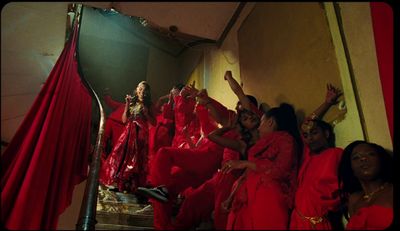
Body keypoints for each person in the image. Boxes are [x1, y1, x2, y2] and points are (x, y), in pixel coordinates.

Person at [224, 103, 303, 229]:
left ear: (270, 122)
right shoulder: (263, 142)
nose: (259, 128)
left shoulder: (286, 139)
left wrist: (246, 163)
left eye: (261, 123)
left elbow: (280, 171)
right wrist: (231, 197)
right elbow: (247, 175)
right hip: (253, 197)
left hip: (270, 200)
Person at [290, 84, 344, 229]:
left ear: (326, 134)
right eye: (306, 136)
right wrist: (326, 103)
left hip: (319, 223)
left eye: (314, 133)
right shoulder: (308, 156)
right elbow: (307, 122)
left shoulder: (336, 154)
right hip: (297, 220)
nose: (310, 139)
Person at [99, 81, 156, 193]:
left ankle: (134, 185)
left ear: (146, 92)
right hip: (128, 133)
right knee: (121, 155)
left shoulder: (150, 105)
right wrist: (126, 104)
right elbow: (124, 120)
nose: (140, 91)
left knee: (137, 159)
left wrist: (146, 114)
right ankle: (121, 182)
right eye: (139, 88)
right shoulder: (132, 103)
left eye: (143, 90)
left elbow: (154, 123)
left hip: (141, 134)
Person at [338, 141, 393, 230]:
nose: (363, 159)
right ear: (351, 168)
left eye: (371, 154)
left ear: (381, 161)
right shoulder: (353, 200)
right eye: (356, 157)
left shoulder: (391, 191)